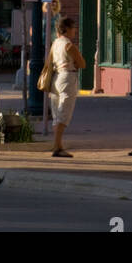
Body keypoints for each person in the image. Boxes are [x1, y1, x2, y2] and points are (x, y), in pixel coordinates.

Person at [48, 15, 86, 158]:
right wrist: (76, 62)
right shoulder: (69, 45)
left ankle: (57, 144)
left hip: (56, 78)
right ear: (67, 29)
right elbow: (82, 63)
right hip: (67, 77)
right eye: (73, 27)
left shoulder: (55, 43)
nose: (75, 30)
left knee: (57, 112)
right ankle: (57, 147)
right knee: (64, 111)